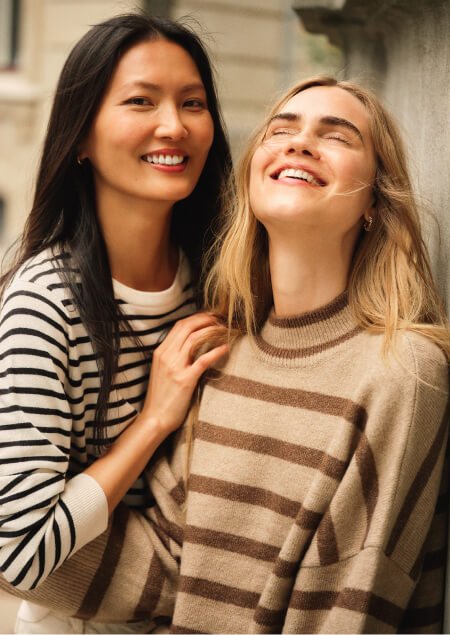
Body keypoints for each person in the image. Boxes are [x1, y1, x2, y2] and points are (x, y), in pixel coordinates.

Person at [145, 75, 450, 633]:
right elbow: (167, 566)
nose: (299, 142)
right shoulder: (219, 358)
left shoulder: (400, 371)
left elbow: (345, 610)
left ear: (374, 200)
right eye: (281, 130)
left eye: (337, 136)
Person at [0, 11, 230, 634]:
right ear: (80, 137)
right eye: (140, 101)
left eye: (193, 102)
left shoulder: (222, 279)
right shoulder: (45, 304)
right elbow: (19, 553)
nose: (173, 126)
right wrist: (155, 417)